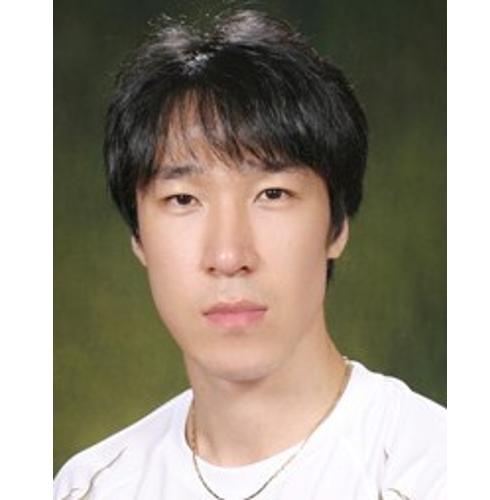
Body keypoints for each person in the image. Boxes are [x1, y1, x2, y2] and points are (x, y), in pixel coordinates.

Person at [54, 9, 445, 500]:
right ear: (139, 238)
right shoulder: (90, 487)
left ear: (337, 225)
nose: (228, 255)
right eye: (183, 199)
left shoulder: (435, 471)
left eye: (272, 194)